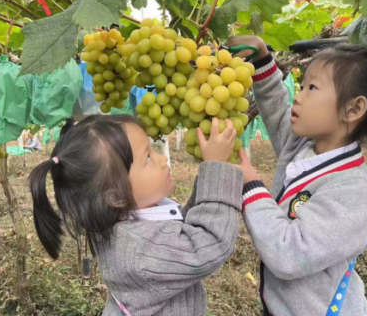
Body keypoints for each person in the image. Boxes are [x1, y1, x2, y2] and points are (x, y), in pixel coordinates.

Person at [226, 36, 367, 316]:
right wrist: (261, 60)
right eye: (302, 85)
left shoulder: (352, 190)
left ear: (353, 109)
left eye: (312, 88)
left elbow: (288, 255)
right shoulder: (304, 147)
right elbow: (276, 111)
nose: (299, 94)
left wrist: (252, 188)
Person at [28, 114, 243, 316]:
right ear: (116, 197)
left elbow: (184, 231)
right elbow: (210, 243)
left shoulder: (127, 218)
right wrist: (217, 169)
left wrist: (212, 178)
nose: (161, 159)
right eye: (147, 157)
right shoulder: (138, 250)